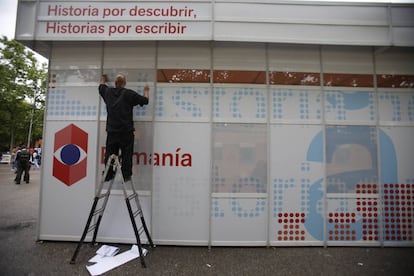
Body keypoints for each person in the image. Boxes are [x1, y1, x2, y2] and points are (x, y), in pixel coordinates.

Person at [99, 73, 149, 182]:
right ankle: (126, 175)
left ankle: (108, 174)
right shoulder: (129, 94)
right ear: (125, 83)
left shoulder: (108, 92)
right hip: (126, 132)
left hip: (112, 131)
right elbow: (145, 101)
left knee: (110, 154)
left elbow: (101, 86)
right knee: (127, 154)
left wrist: (103, 79)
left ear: (115, 83)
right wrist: (146, 90)